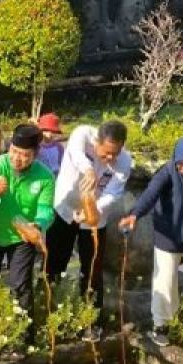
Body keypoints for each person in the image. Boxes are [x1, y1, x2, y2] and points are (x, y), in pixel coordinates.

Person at [118, 136, 183, 347]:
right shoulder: (167, 172)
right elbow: (150, 195)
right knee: (165, 279)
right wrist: (135, 215)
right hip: (168, 235)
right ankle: (160, 325)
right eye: (180, 164)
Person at [47, 120, 132, 314]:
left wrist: (92, 211)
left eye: (115, 153)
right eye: (106, 152)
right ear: (97, 141)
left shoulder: (125, 161)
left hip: (95, 218)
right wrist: (88, 169)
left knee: (92, 265)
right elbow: (75, 153)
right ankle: (50, 304)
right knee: (56, 260)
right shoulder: (83, 134)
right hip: (65, 208)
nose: (110, 158)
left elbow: (113, 192)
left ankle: (91, 315)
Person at [0, 124, 56, 322]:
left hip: (21, 238)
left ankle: (24, 335)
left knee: (20, 286)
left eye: (24, 155)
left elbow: (46, 210)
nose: (17, 159)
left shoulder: (45, 176)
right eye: (14, 151)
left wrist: (37, 225)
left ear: (35, 154)